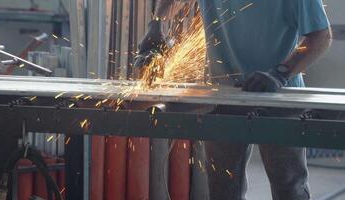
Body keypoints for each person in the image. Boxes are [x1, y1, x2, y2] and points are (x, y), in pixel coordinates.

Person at [135, 0, 332, 199]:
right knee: (223, 189)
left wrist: (281, 73)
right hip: (224, 97)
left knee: (289, 188)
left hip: (280, 98)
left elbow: (321, 36)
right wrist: (156, 26)